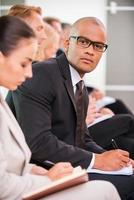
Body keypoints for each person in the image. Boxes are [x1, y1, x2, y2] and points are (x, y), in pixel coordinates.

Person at [5, 17, 134, 199]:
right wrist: (98, 161)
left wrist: (111, 159)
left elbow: (82, 138)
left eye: (98, 46)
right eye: (83, 42)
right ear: (67, 43)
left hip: (67, 163)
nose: (90, 51)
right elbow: (38, 143)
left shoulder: (78, 83)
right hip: (44, 170)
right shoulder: (41, 75)